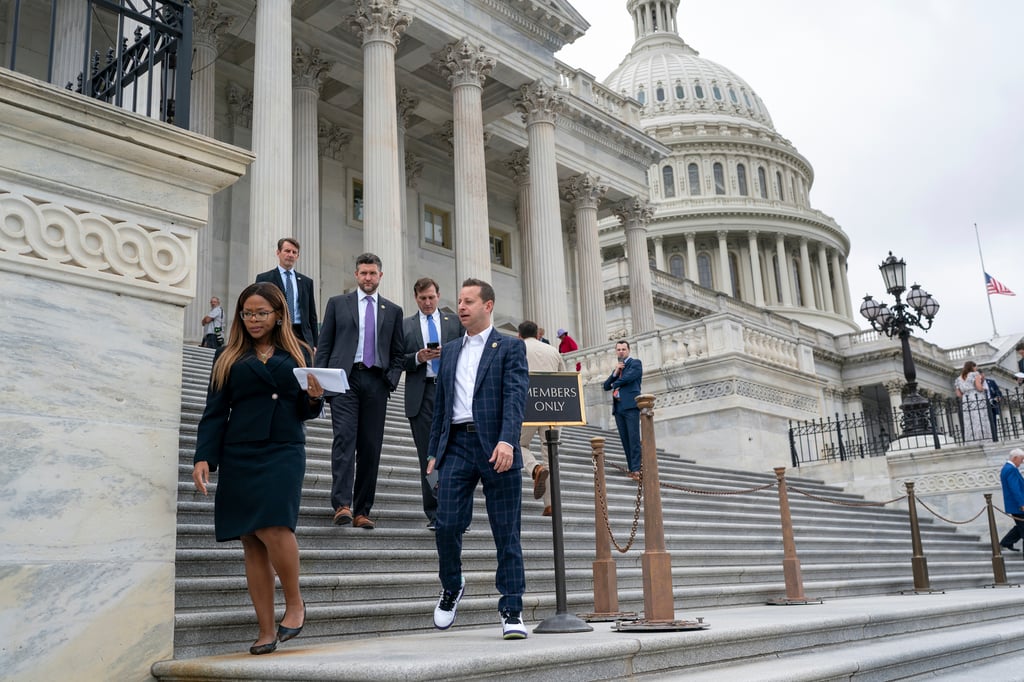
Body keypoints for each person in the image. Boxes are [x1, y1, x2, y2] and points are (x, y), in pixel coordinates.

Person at [192, 282, 325, 655]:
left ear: (278, 315)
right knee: (251, 541)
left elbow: (306, 410)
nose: (253, 319)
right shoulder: (227, 355)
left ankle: (295, 603)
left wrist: (315, 399)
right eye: (247, 313)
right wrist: (204, 457)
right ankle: (266, 630)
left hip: (283, 449)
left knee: (274, 525)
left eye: (261, 313)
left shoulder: (300, 351)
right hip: (240, 452)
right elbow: (215, 411)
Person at [425, 279, 529, 639]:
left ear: (488, 305)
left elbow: (515, 397)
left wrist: (508, 440)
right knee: (446, 524)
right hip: (456, 445)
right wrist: (433, 452)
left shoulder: (510, 347)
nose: (461, 307)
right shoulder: (451, 349)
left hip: (496, 447)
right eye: (459, 301)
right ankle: (452, 586)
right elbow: (441, 406)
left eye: (469, 301)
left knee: (506, 531)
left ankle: (512, 608)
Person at [315, 252, 404, 529]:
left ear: (380, 276)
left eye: (372, 273)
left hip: (376, 382)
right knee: (344, 439)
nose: (368, 277)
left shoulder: (393, 311)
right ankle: (342, 505)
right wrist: (320, 382)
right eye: (363, 273)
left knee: (370, 447)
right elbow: (325, 345)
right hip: (344, 380)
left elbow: (398, 353)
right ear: (356, 275)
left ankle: (362, 510)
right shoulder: (337, 304)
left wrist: (390, 380)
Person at [402, 277, 463, 530]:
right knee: (428, 455)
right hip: (422, 393)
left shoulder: (455, 322)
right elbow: (397, 359)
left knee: (457, 454)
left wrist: (447, 353)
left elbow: (467, 353)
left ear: (438, 296)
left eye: (431, 297)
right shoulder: (405, 326)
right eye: (422, 298)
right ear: (415, 298)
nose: (427, 302)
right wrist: (418, 357)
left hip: (451, 392)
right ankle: (436, 513)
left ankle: (457, 511)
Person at [517, 320, 565, 516]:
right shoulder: (553, 351)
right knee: (551, 454)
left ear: (519, 335)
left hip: (527, 406)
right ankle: (551, 504)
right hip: (552, 407)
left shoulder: (518, 348)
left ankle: (535, 468)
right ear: (538, 334)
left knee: (516, 444)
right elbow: (564, 378)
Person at [255, 237, 319, 349]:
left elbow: (311, 315)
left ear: (297, 256)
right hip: (275, 332)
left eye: (294, 252)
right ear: (278, 252)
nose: (290, 255)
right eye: (287, 251)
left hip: (301, 335)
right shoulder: (264, 278)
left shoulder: (306, 282)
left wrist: (315, 344)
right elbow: (258, 309)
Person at [603, 340, 644, 478]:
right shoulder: (618, 368)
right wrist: (615, 373)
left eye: (623, 349)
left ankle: (637, 469)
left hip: (631, 406)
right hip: (618, 408)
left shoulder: (635, 363)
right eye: (618, 349)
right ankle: (632, 469)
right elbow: (606, 386)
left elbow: (628, 378)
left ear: (629, 350)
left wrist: (615, 383)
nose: (621, 352)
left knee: (633, 437)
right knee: (625, 439)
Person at [954, 361, 991, 441]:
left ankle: (971, 438)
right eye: (975, 367)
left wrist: (966, 394)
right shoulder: (975, 374)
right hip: (975, 396)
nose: (976, 368)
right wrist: (984, 389)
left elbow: (958, 394)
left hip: (966, 399)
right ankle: (982, 437)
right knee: (979, 417)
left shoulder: (958, 379)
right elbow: (978, 387)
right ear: (972, 367)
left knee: (969, 419)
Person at [998, 448, 1024, 553]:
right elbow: (1015, 488)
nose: (1022, 462)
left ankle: (1006, 542)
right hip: (1018, 506)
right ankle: (1006, 542)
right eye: (1021, 459)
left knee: (1021, 526)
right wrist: (1021, 503)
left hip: (1016, 505)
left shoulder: (1008, 468)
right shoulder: (1010, 469)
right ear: (1015, 458)